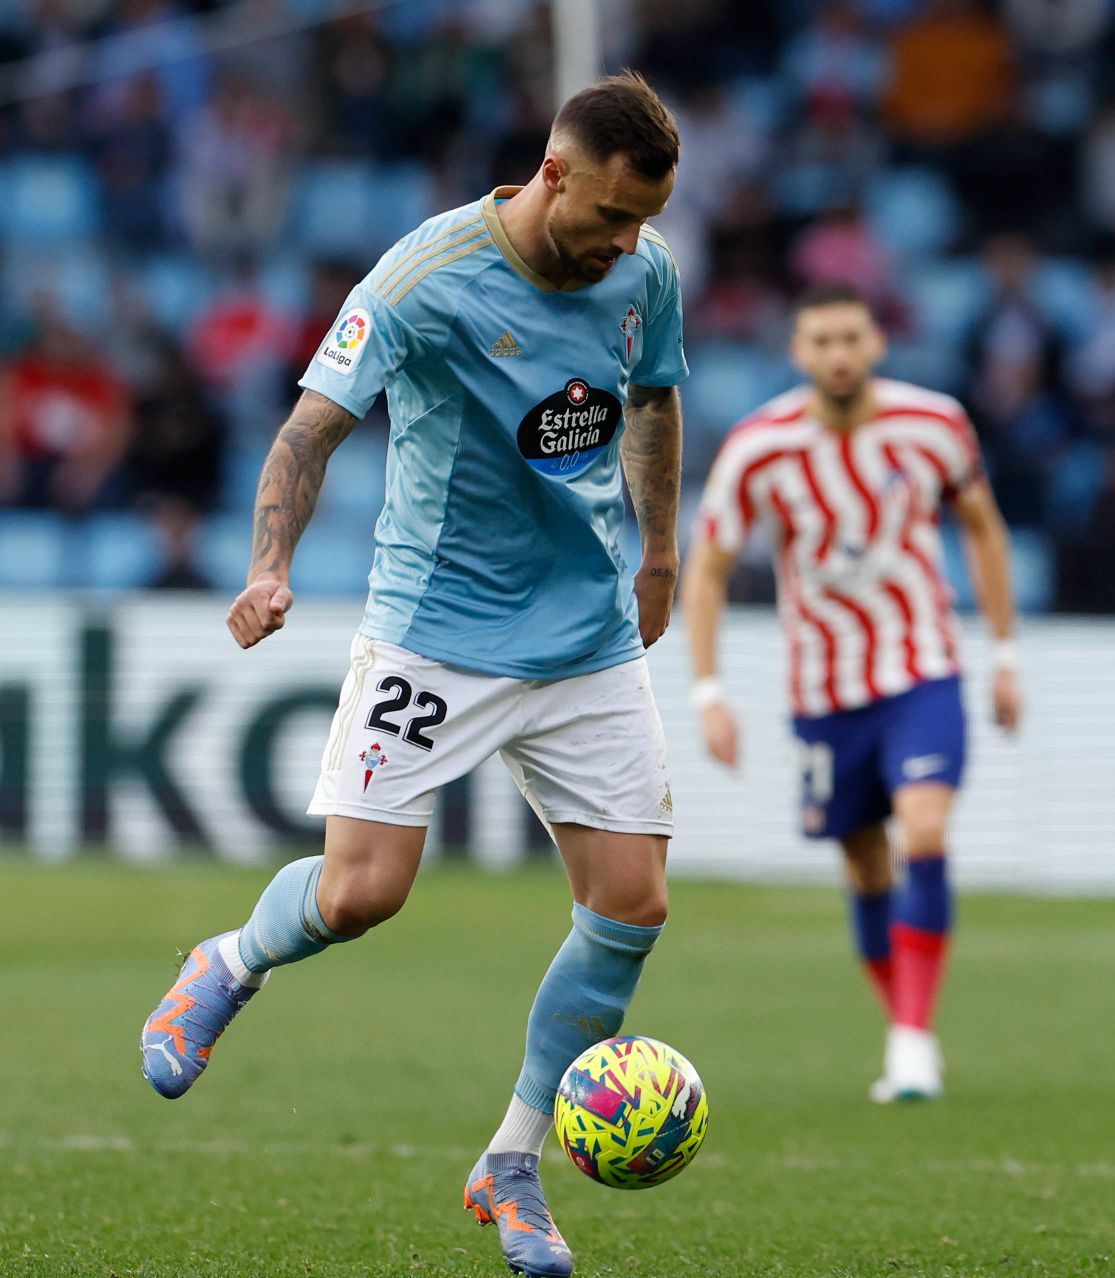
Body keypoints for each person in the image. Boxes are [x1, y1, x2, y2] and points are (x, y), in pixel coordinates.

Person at [138, 72, 688, 1278]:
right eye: (608, 216)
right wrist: (270, 564)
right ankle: (227, 961)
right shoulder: (421, 279)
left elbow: (652, 401)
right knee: (361, 895)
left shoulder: (644, 274)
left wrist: (658, 550)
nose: (624, 244)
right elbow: (309, 428)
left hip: (586, 633)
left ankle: (512, 1165)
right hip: (436, 628)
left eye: (641, 222)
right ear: (553, 175)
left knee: (632, 904)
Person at [682, 284, 1022, 1102]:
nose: (837, 354)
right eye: (820, 341)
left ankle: (910, 1038)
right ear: (798, 353)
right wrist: (707, 691)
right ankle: (908, 1026)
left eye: (850, 337)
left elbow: (982, 526)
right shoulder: (760, 446)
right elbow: (710, 566)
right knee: (867, 864)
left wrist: (1004, 652)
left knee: (925, 828)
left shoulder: (933, 423)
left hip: (922, 665)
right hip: (824, 686)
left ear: (875, 343)